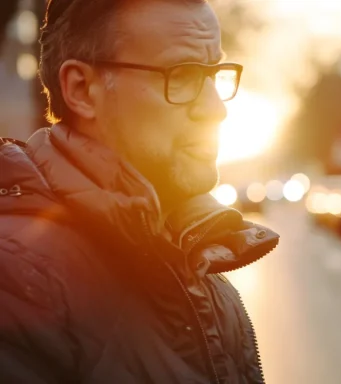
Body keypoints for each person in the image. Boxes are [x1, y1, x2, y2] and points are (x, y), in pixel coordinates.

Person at [0, 0, 276, 382]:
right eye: (183, 75)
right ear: (82, 89)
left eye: (214, 73)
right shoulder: (16, 280)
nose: (216, 109)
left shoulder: (193, 263)